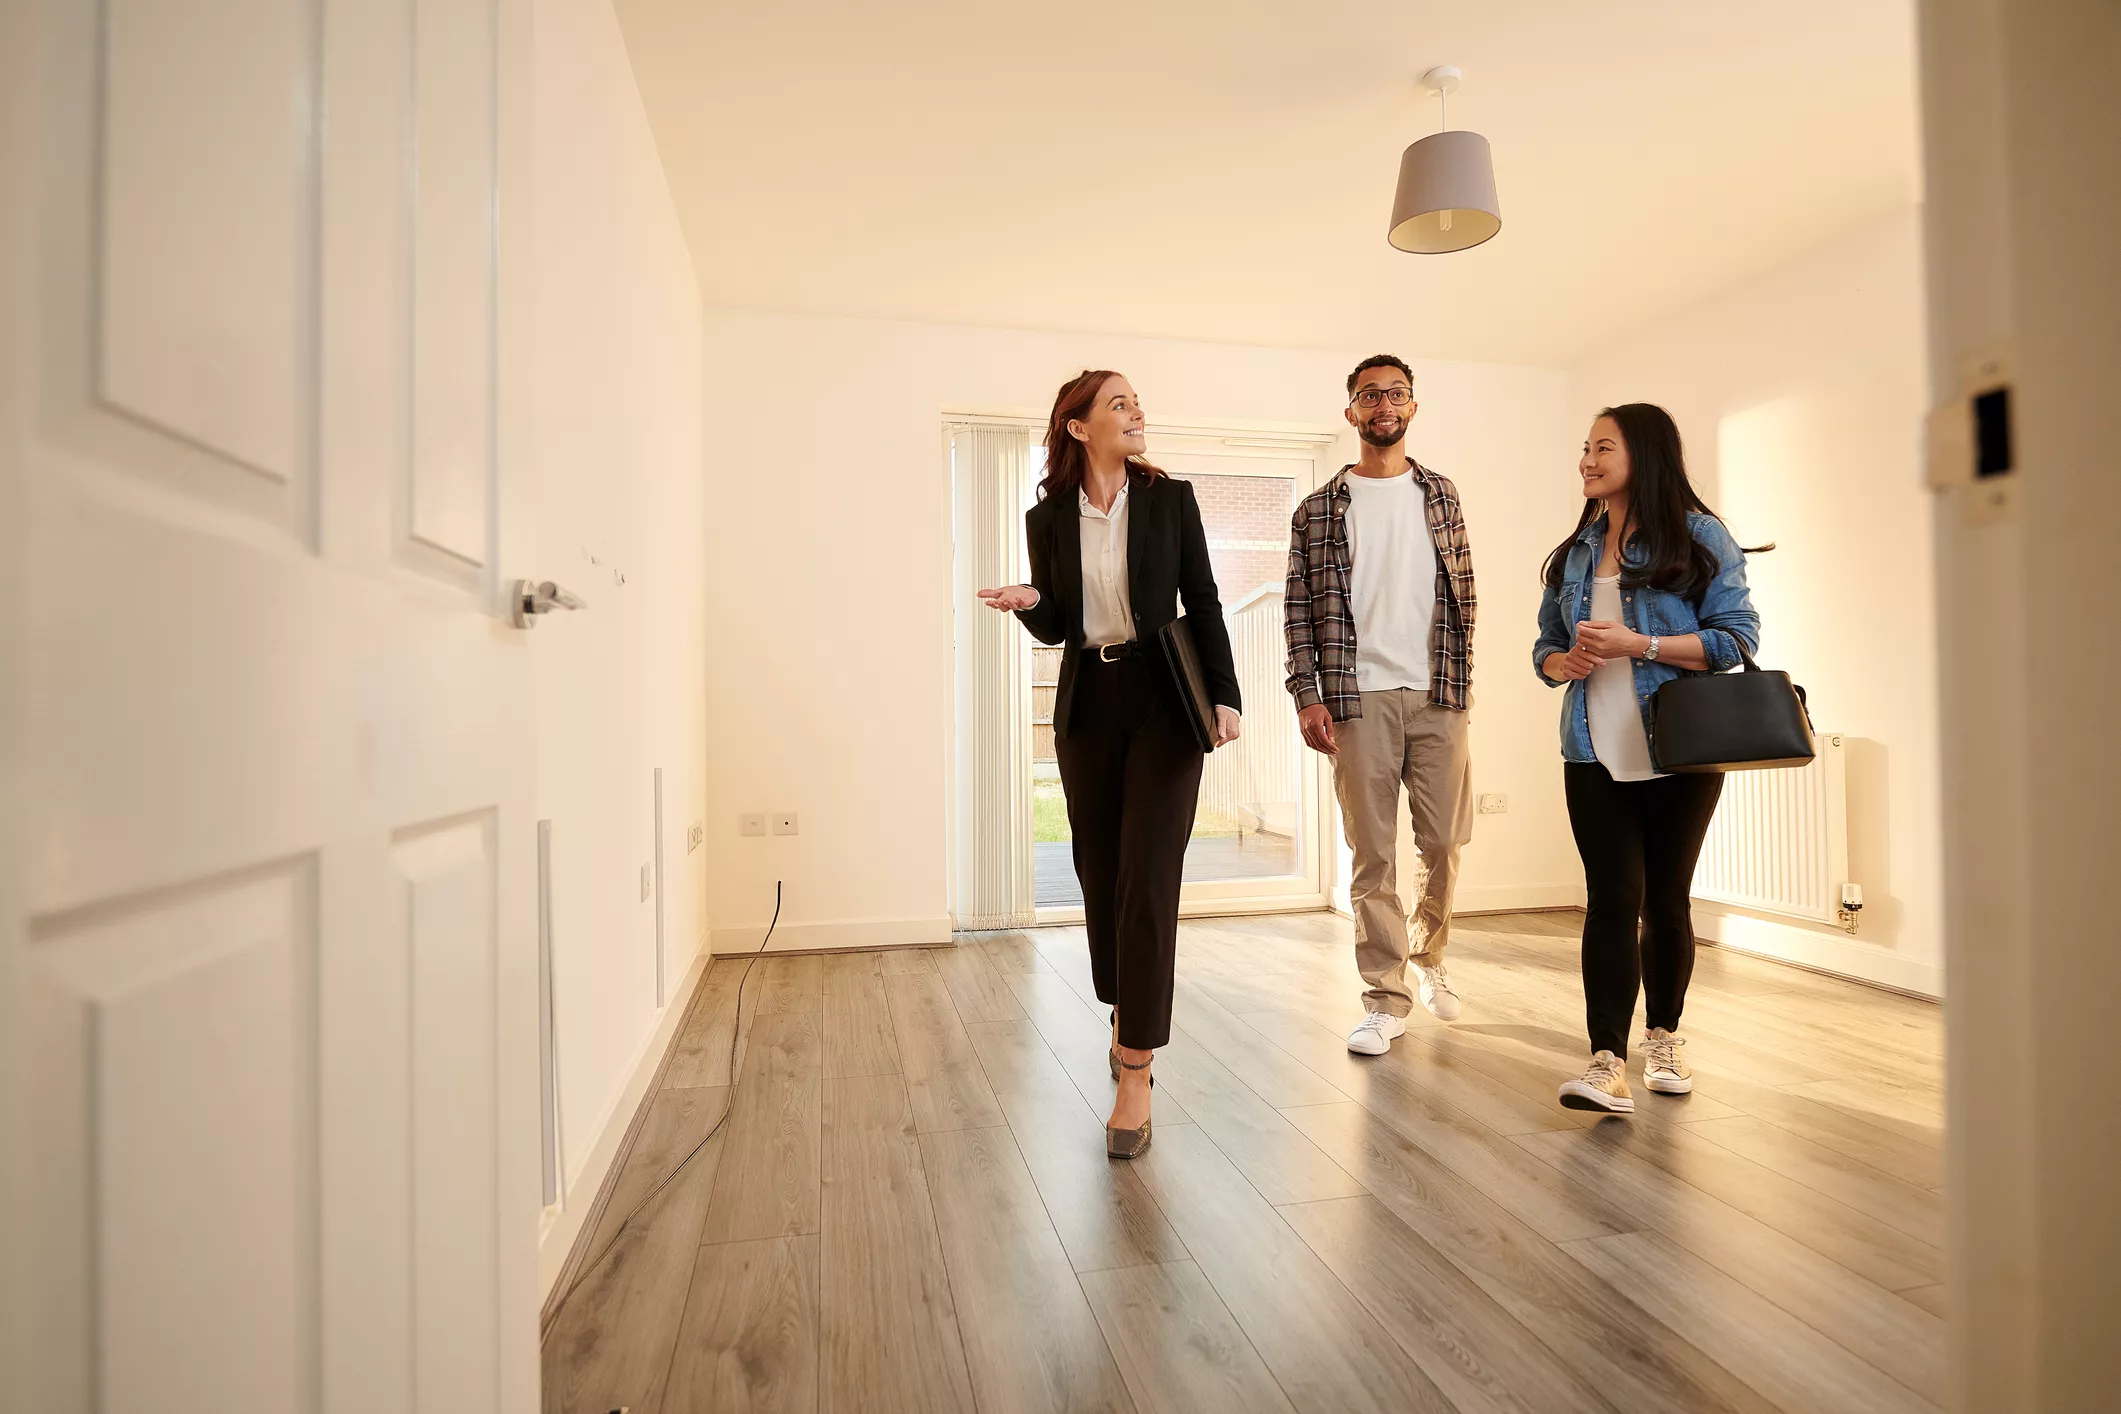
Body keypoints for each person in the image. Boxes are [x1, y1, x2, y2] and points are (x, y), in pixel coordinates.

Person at [978, 370, 1241, 1158]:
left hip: (1166, 700)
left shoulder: (1170, 499)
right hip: (1090, 705)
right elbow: (1060, 625)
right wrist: (1032, 602)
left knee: (1149, 877)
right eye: (1118, 404)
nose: (1135, 412)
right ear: (1078, 427)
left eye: (1135, 402)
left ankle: (1136, 1066)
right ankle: (1124, 1011)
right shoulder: (1047, 517)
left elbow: (1203, 600)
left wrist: (1223, 696)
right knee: (1100, 870)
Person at [1533, 403, 1762, 1113]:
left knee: (1665, 902)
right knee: (1610, 901)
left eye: (1602, 447)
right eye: (1584, 447)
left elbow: (1737, 639)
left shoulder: (1698, 536)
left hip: (1679, 748)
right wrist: (1559, 662)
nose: (1586, 460)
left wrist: (1643, 646)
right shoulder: (1575, 551)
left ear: (1645, 455)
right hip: (1590, 749)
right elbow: (1541, 647)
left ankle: (1662, 1037)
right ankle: (1605, 1061)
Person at [1284, 355, 1477, 1057]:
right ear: (1351, 413)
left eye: (1396, 393)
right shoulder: (1317, 510)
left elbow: (1464, 592)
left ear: (1412, 408)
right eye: (1370, 395)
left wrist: (1458, 679)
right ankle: (1384, 997)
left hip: (1437, 695)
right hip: (1354, 697)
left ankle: (1427, 957)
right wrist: (1307, 695)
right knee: (1373, 856)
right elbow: (1297, 612)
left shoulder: (1441, 495)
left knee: (1445, 844)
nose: (1383, 404)